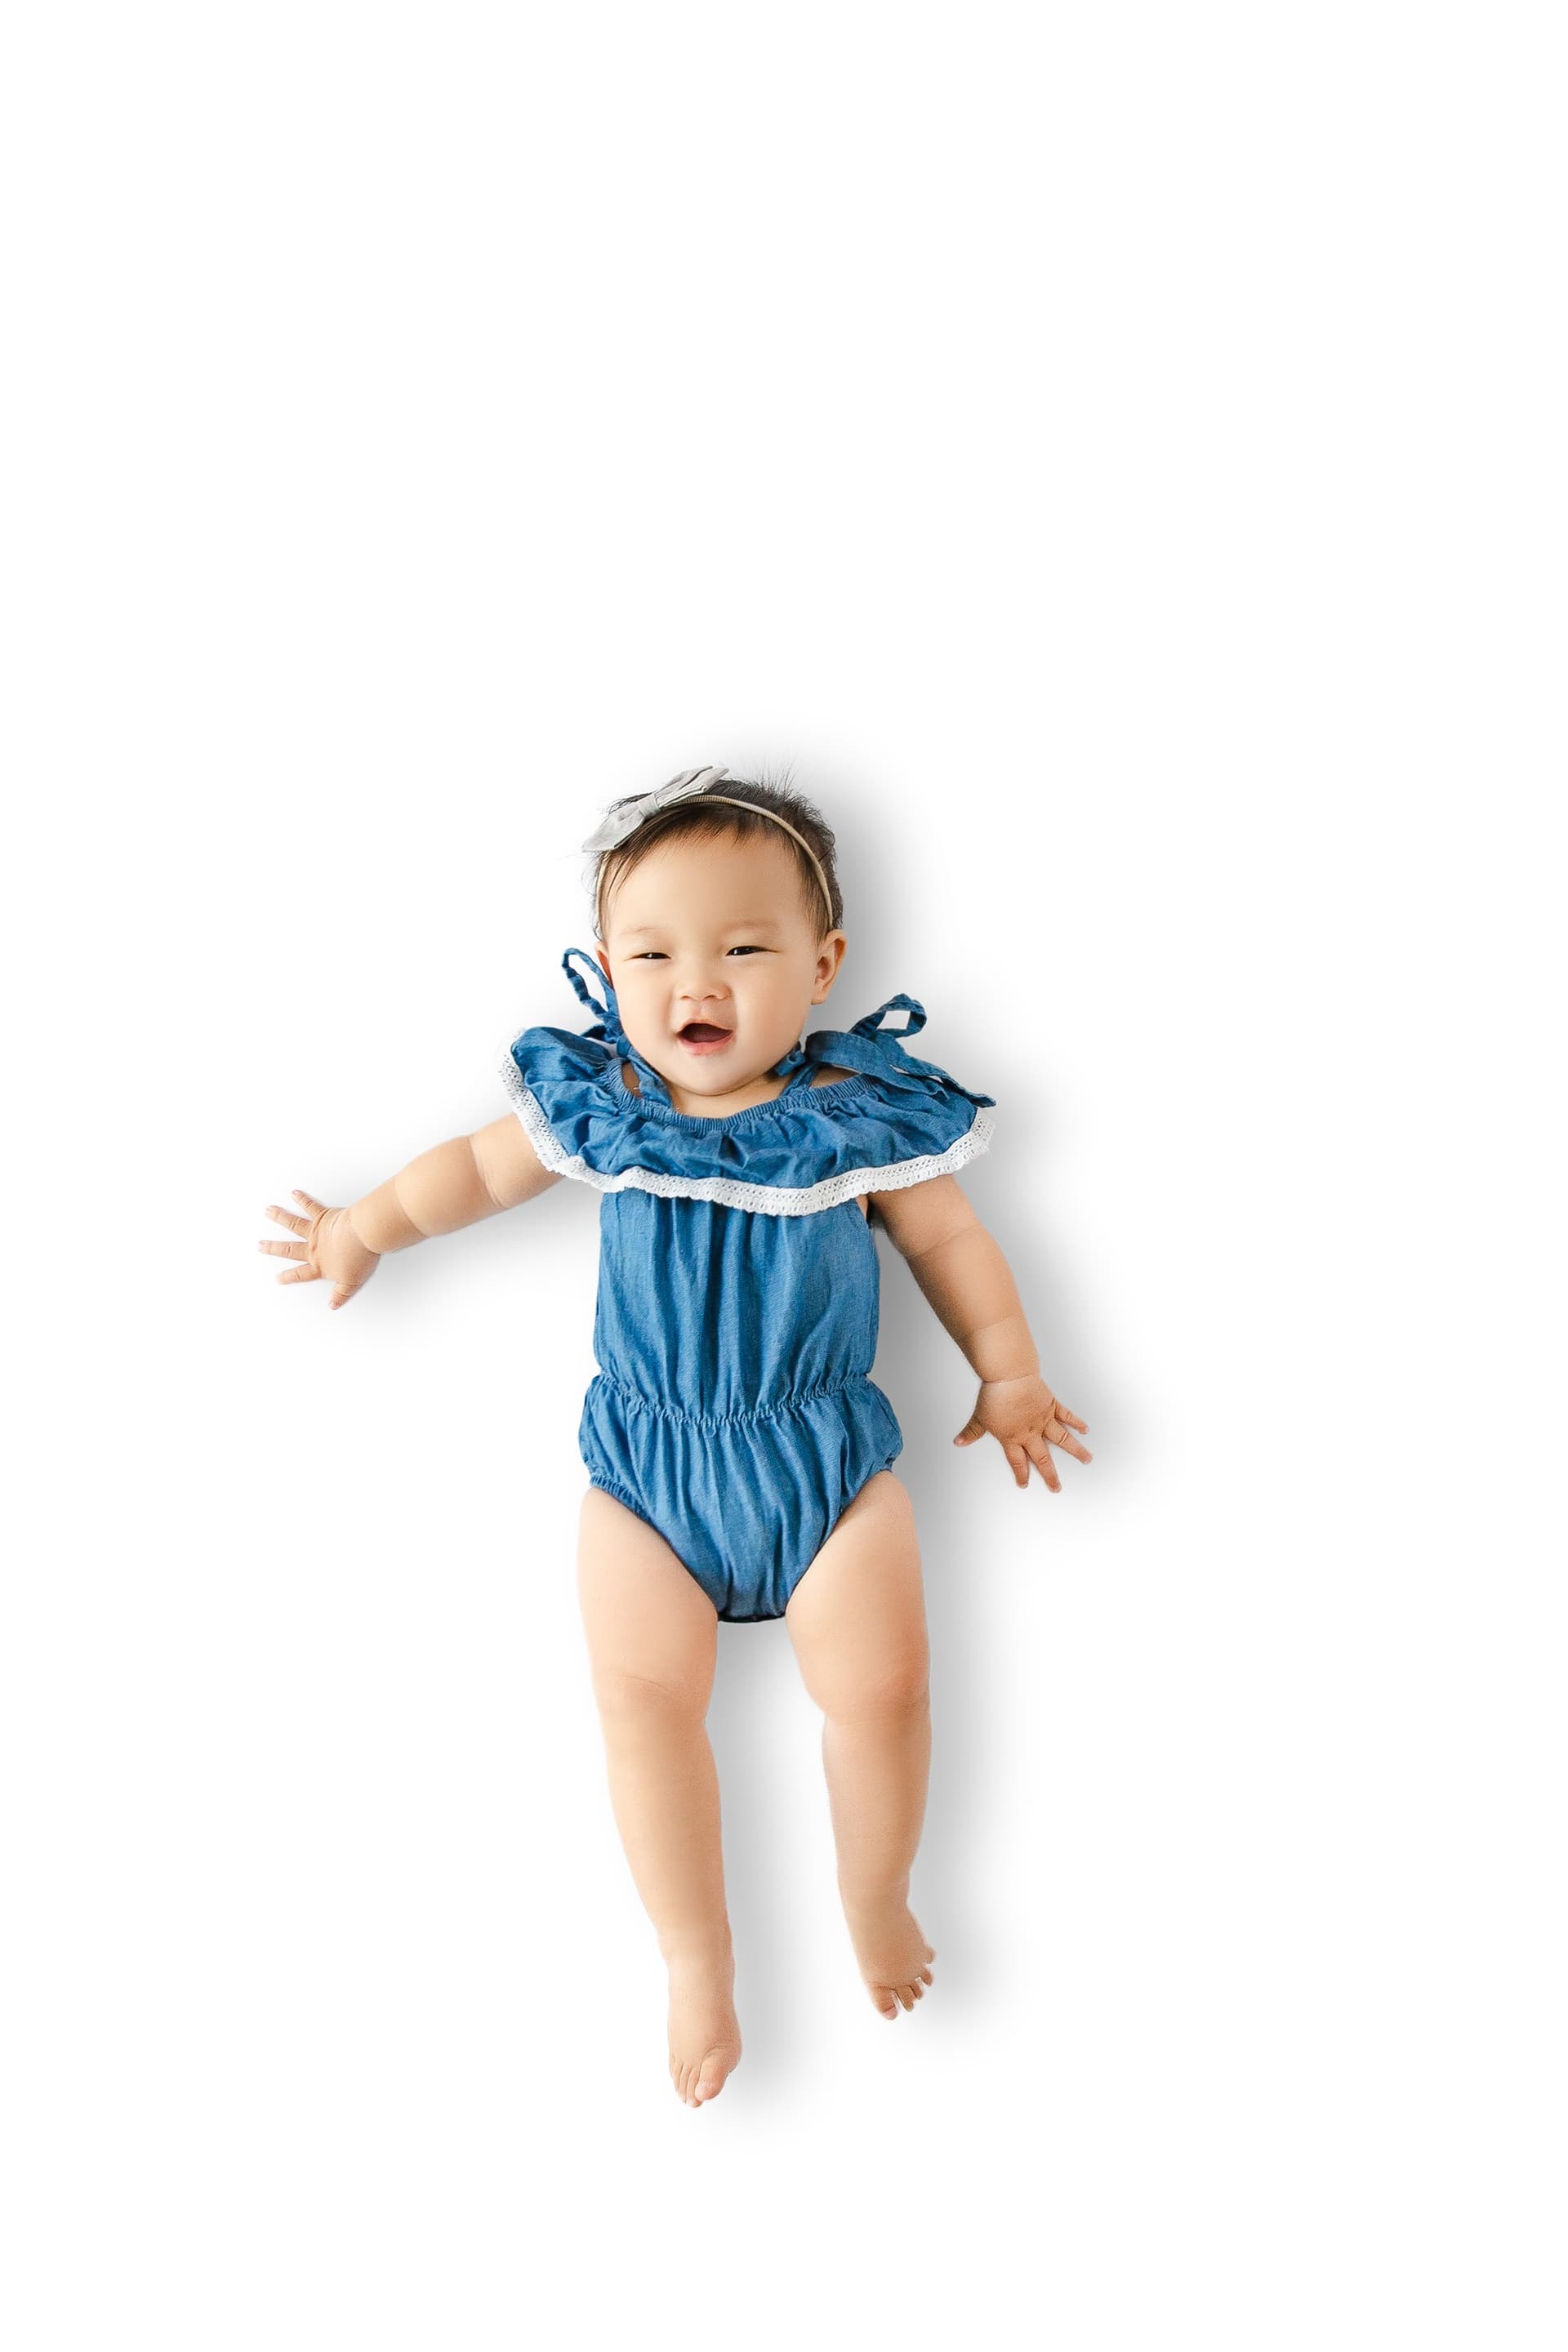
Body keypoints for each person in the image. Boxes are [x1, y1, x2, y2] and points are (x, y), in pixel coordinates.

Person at [258, 764, 1091, 2109]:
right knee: (642, 1707)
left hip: (826, 1472)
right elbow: (471, 1172)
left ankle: (876, 1894)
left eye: (743, 950)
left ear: (822, 967)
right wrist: (363, 1226)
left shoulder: (853, 1118)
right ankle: (696, 1956)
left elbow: (951, 1243)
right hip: (649, 1482)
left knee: (883, 1693)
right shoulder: (609, 1109)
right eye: (653, 955)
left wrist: (1011, 1372)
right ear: (608, 973)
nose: (696, 983)